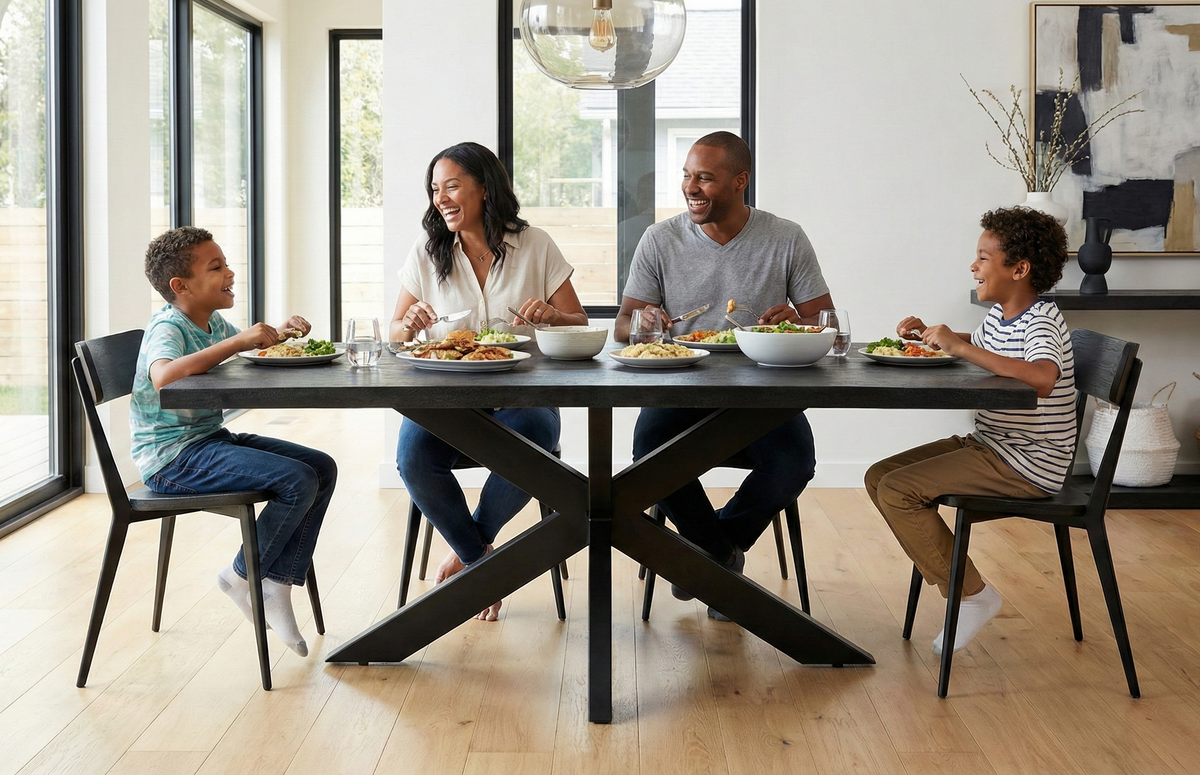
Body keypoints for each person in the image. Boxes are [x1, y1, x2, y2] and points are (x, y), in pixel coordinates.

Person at [615, 131, 836, 620]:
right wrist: (645, 322)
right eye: (687, 176)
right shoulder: (661, 239)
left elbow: (827, 324)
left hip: (764, 393)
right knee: (649, 456)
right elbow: (623, 326)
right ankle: (718, 559)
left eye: (705, 178)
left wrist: (796, 321)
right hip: (679, 387)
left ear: (740, 181)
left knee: (794, 463)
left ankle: (706, 557)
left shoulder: (785, 237)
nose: (690, 188)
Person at [865, 206, 1075, 656]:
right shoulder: (1001, 316)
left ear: (1019, 269)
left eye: (983, 257)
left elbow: (1042, 377)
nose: (972, 266)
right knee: (879, 476)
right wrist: (932, 335)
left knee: (898, 490)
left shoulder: (1041, 320)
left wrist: (958, 347)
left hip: (1028, 460)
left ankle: (972, 596)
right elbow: (985, 349)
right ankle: (955, 579)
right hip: (993, 443)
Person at [391, 141, 587, 621]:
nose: (441, 198)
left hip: (523, 393)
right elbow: (394, 332)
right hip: (445, 397)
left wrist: (551, 316)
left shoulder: (535, 244)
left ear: (484, 188)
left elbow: (578, 321)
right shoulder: (428, 250)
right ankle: (481, 562)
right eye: (435, 189)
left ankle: (468, 552)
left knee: (534, 442)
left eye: (452, 186)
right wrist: (409, 323)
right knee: (413, 458)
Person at [131, 226, 337, 657]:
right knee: (298, 480)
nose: (230, 272)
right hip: (172, 459)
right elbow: (164, 375)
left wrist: (278, 333)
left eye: (225, 263)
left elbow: (240, 352)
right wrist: (238, 340)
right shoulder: (168, 326)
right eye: (216, 267)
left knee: (321, 467)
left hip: (208, 440)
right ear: (181, 286)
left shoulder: (211, 322)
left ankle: (276, 584)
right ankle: (241, 575)